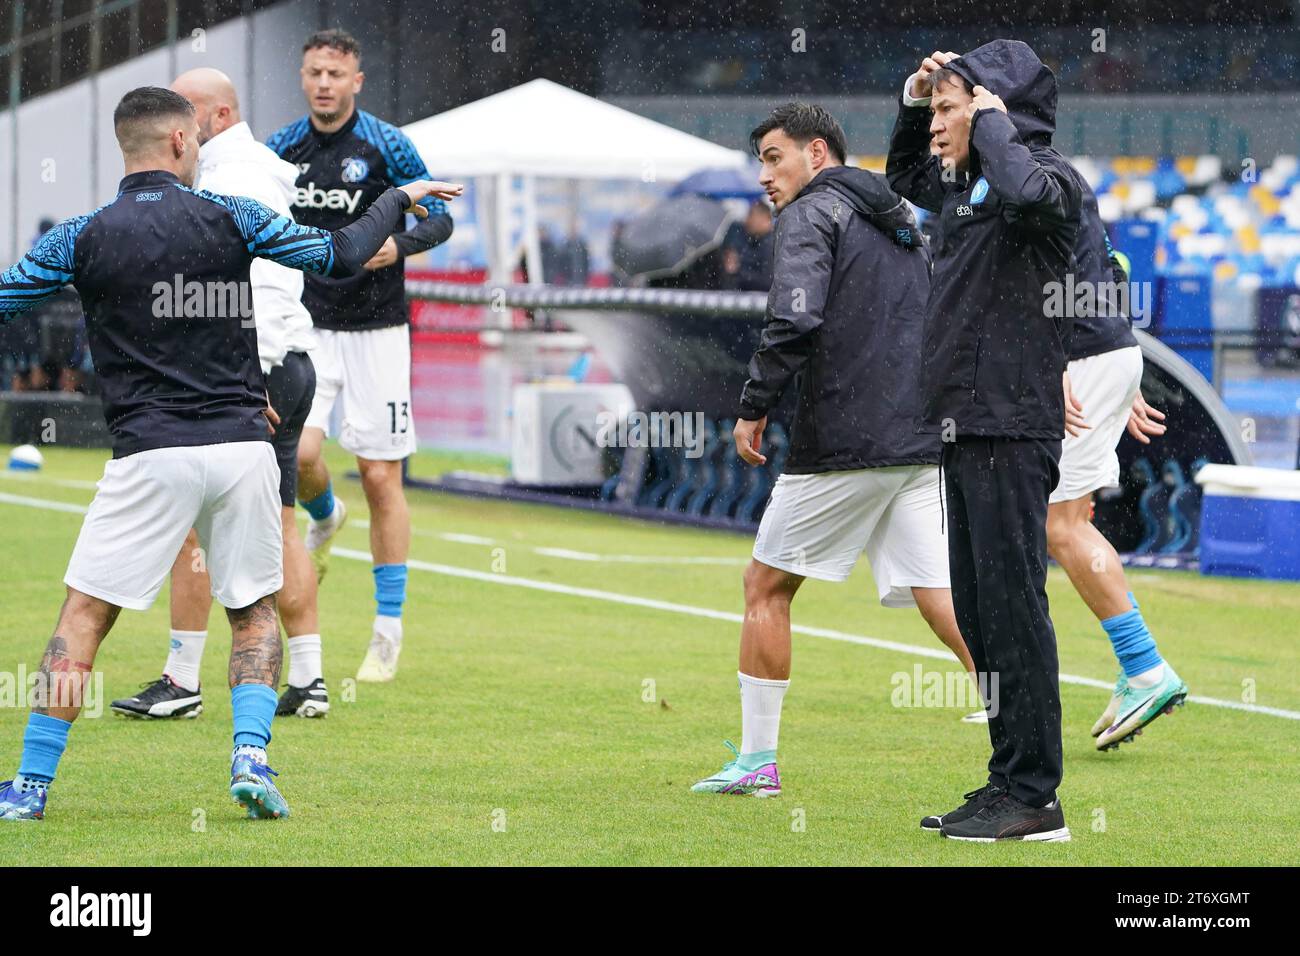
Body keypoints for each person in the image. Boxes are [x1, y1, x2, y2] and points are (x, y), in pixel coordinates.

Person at [0, 85, 458, 822]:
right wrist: (399, 197)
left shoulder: (81, 235)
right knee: (250, 613)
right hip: (245, 445)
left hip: (150, 453)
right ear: (183, 143)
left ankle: (28, 787)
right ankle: (251, 758)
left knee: (84, 613)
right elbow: (340, 256)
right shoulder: (232, 216)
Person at [691, 103, 975, 798]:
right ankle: (1026, 724)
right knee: (940, 597)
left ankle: (758, 762)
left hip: (849, 440)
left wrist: (753, 407)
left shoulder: (811, 215)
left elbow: (794, 316)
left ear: (817, 153)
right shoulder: (905, 216)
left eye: (773, 156)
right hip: (920, 435)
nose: (764, 175)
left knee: (766, 586)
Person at [888, 40, 1085, 842]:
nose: (935, 125)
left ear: (996, 109)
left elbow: (1030, 189)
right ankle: (1008, 781)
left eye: (947, 108)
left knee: (1013, 608)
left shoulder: (1044, 181)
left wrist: (993, 118)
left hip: (1010, 423)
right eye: (931, 112)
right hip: (966, 426)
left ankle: (1036, 795)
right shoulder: (970, 186)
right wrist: (914, 100)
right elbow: (905, 181)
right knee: (980, 611)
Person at [109, 67, 334, 721]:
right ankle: (312, 678)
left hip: (253, 369)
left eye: (187, 109)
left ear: (220, 115)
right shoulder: (253, 167)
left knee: (194, 527)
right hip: (289, 363)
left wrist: (243, 377)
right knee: (280, 522)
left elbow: (255, 282)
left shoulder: (231, 176)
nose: (175, 123)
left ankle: (181, 680)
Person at [265, 29, 455, 682]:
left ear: (356, 81)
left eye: (335, 74)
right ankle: (325, 514)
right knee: (303, 454)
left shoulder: (388, 144)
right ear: (303, 76)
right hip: (306, 324)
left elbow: (439, 217)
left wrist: (399, 246)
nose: (324, 83)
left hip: (378, 327)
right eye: (314, 72)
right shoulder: (281, 150)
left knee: (380, 475)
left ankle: (387, 629)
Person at [1052, 187, 1188, 751]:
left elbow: (1039, 278)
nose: (938, 122)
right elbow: (1115, 267)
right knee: (1073, 519)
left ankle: (1148, 669)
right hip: (1104, 349)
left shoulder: (1019, 176)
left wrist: (1063, 356)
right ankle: (1135, 669)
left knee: (1061, 526)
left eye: (946, 107)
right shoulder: (1065, 180)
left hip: (1085, 356)